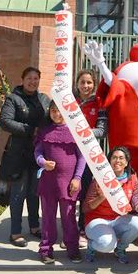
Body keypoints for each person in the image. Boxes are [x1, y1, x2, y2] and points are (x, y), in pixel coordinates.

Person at [0, 66, 51, 247]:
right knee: (18, 194)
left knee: (34, 192)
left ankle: (35, 227)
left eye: (36, 78)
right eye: (29, 78)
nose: (32, 81)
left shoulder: (44, 99)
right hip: (19, 155)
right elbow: (5, 122)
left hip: (39, 154)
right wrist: (31, 130)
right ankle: (15, 232)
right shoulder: (13, 99)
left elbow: (53, 117)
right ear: (23, 79)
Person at [34, 102, 86, 264]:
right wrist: (42, 162)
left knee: (69, 218)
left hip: (69, 184)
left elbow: (82, 158)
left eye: (60, 111)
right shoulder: (45, 132)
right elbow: (38, 152)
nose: (56, 114)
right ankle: (46, 249)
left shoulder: (75, 132)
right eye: (53, 111)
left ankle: (73, 249)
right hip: (48, 183)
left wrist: (77, 178)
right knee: (48, 218)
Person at [83, 146, 138, 264]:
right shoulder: (100, 179)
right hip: (97, 220)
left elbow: (136, 197)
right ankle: (92, 245)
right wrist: (101, 197)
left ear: (126, 162)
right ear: (109, 161)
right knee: (106, 245)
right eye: (114, 158)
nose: (118, 161)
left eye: (121, 158)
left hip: (118, 219)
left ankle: (120, 249)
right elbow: (85, 208)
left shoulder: (133, 179)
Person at [75, 69, 108, 248]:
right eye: (82, 82)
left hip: (89, 156)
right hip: (69, 153)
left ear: (94, 85)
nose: (86, 86)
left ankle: (82, 230)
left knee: (85, 193)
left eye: (89, 83)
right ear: (77, 83)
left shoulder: (100, 103)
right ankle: (69, 230)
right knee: (69, 193)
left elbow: (102, 131)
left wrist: (82, 134)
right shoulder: (69, 102)